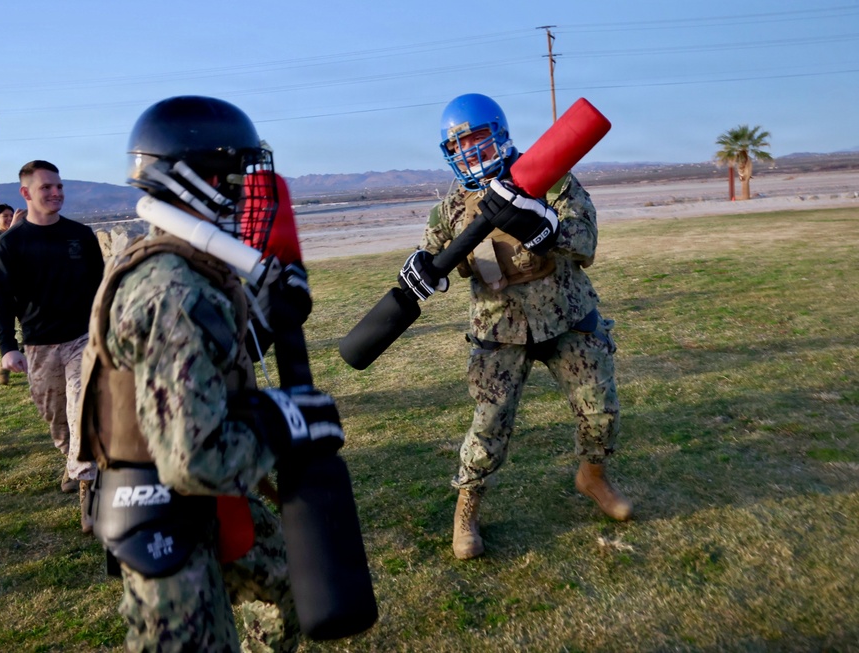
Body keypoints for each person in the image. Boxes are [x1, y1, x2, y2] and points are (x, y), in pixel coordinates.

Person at [76, 96, 341, 652]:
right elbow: (195, 459)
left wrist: (269, 312)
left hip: (206, 498)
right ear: (201, 181)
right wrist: (282, 423)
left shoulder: (184, 265)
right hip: (165, 519)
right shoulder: (172, 290)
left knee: (297, 579)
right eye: (236, 176)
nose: (248, 191)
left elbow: (211, 359)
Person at [398, 93, 633, 560]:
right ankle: (467, 506)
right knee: (488, 425)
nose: (469, 152)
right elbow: (432, 253)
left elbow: (585, 240)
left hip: (566, 315)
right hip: (498, 328)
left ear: (500, 134)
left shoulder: (550, 176)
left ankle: (593, 476)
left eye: (477, 139)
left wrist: (547, 231)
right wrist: (421, 266)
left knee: (600, 411)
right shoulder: (452, 208)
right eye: (458, 146)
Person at [0, 161, 105, 519]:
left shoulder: (81, 235)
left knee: (81, 406)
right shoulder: (11, 244)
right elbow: (1, 299)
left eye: (59, 186)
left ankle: (88, 489)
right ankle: (71, 460)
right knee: (57, 417)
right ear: (26, 193)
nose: (56, 193)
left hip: (82, 338)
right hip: (39, 344)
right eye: (46, 188)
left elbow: (102, 288)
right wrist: (8, 347)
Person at [0, 203, 26, 384]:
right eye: (6, 217)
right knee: (12, 332)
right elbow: (0, 250)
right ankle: (6, 362)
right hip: (8, 291)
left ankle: (13, 362)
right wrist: (15, 227)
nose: (10, 219)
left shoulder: (19, 234)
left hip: (26, 290)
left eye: (12, 216)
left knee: (28, 334)